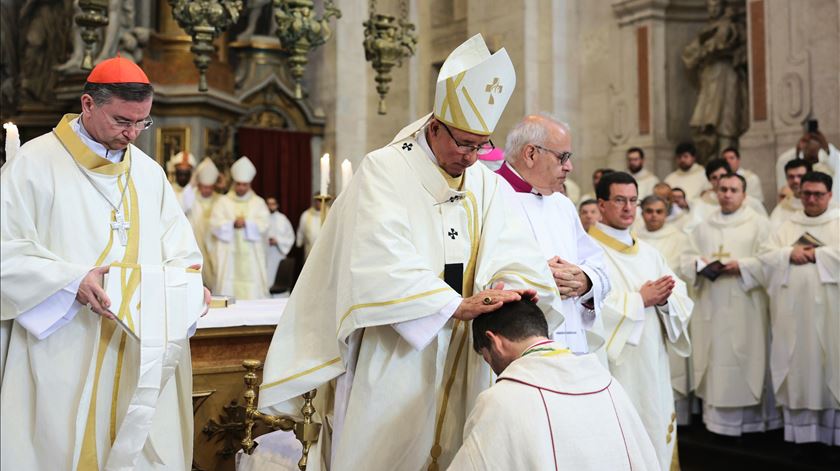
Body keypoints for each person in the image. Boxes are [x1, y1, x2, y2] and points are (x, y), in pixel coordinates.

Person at [258, 34, 563, 471]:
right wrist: (450, 305)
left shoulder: (488, 185)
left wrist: (508, 290)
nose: (473, 158)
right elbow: (378, 258)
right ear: (434, 127)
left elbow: (516, 254)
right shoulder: (385, 170)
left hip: (468, 347)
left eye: (482, 145)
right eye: (463, 143)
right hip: (396, 349)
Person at [0, 57, 208, 470]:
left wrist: (186, 286)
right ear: (88, 104)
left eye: (142, 123)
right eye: (122, 121)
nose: (132, 134)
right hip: (64, 342)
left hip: (137, 347)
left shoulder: (149, 174)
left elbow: (183, 252)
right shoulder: (34, 164)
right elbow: (6, 248)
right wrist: (69, 282)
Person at [447, 299, 659, 471]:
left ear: (495, 341)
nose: (492, 366)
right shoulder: (608, 384)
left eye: (486, 357)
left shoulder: (501, 399)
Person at [588, 171, 693, 470]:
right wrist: (638, 301)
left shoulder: (650, 253)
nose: (628, 208)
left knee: (653, 424)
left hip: (651, 359)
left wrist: (665, 299)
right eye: (619, 200)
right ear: (602, 204)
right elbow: (586, 307)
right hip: (614, 366)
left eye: (633, 200)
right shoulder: (588, 251)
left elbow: (679, 295)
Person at [497, 114, 610, 358]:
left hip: (570, 338)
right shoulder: (487, 197)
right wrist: (540, 278)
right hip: (517, 341)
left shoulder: (562, 205)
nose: (569, 167)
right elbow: (476, 277)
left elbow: (597, 264)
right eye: (563, 157)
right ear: (530, 154)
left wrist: (584, 280)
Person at [740, 171, 839, 446]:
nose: (811, 199)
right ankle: (801, 438)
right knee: (797, 368)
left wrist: (817, 254)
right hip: (792, 316)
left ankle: (832, 437)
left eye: (818, 194)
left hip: (832, 316)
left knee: (831, 368)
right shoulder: (786, 225)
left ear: (830, 195)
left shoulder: (838, 222)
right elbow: (765, 257)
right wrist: (787, 254)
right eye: (806, 193)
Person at [689, 173, 779, 436]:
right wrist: (700, 264)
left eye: (733, 190)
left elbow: (771, 261)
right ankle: (717, 424)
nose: (727, 194)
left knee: (747, 354)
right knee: (716, 356)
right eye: (723, 189)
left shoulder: (760, 225)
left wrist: (742, 266)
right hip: (712, 305)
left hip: (747, 305)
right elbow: (686, 259)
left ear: (744, 194)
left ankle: (752, 423)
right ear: (716, 192)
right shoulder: (704, 226)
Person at [636, 195, 699, 425]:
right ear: (641, 213)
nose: (653, 216)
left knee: (672, 365)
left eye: (659, 211)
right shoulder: (633, 238)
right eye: (649, 211)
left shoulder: (680, 239)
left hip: (669, 307)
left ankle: (680, 418)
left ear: (666, 213)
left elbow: (682, 271)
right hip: (642, 308)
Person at [209, 156, 270, 300]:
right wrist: (232, 224)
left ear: (250, 184)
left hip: (251, 255)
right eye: (239, 184)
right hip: (229, 256)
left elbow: (265, 225)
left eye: (244, 184)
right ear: (234, 183)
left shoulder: (258, 203)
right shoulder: (223, 202)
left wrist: (247, 224)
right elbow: (214, 224)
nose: (241, 187)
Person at [689, 159, 767, 227]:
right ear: (709, 180)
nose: (719, 180)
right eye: (714, 178)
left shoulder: (751, 202)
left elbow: (764, 226)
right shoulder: (700, 204)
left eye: (722, 176)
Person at [775, 129, 839, 205]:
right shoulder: (783, 210)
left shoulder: (830, 159)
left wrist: (825, 146)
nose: (796, 180)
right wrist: (797, 151)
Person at [189, 157, 221, 291]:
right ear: (199, 185)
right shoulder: (191, 198)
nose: (206, 190)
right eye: (204, 187)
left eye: (209, 187)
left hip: (212, 245)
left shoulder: (221, 200)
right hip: (194, 242)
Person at [770, 159, 812, 229]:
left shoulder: (827, 206)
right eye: (791, 177)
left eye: (800, 176)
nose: (795, 180)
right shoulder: (781, 209)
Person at [265, 196, 295, 289]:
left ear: (277, 205)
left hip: (278, 254)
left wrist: (278, 241)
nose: (270, 206)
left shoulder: (283, 219)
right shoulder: (260, 218)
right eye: (268, 204)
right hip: (264, 253)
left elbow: (290, 237)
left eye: (273, 204)